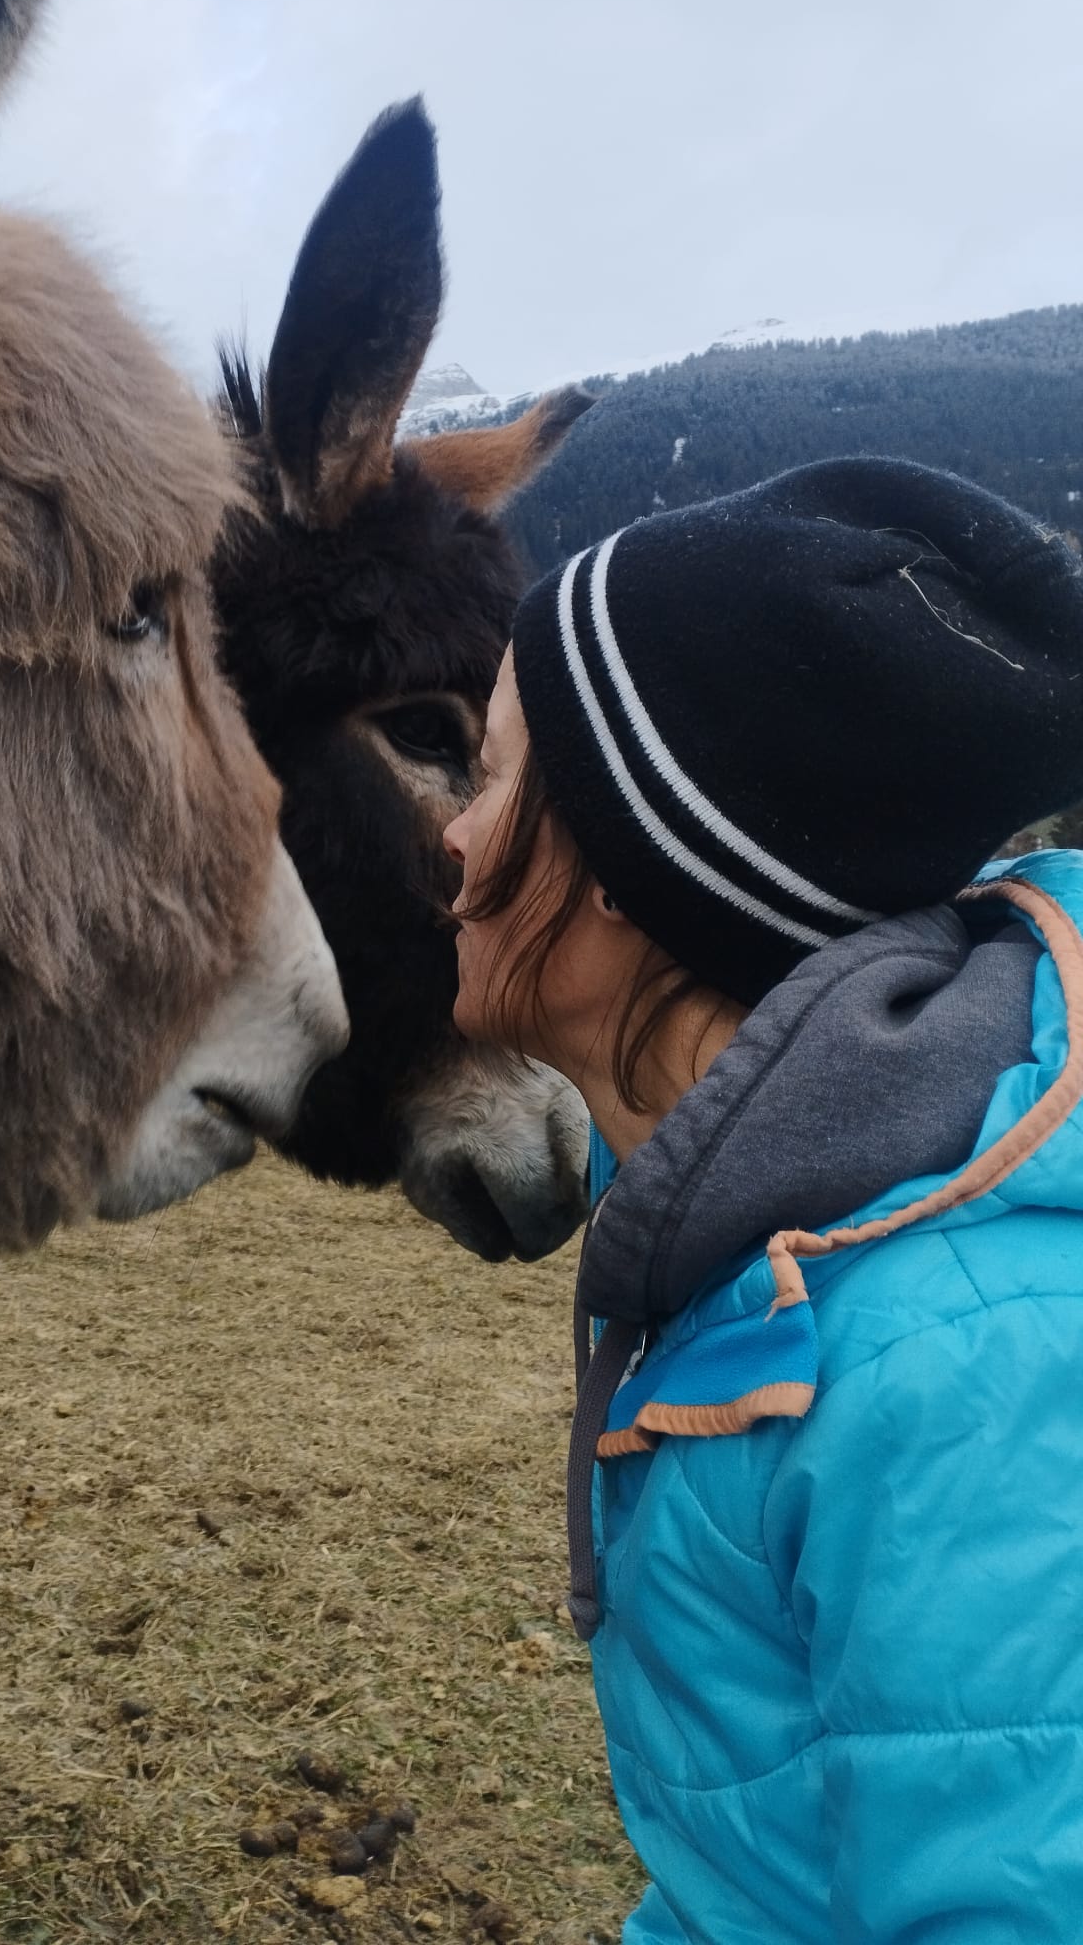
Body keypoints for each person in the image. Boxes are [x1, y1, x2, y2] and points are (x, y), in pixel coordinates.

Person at [443, 457, 1083, 1944]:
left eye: (486, 777)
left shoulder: (959, 1369)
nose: (455, 838)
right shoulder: (740, 1224)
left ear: (623, 867)